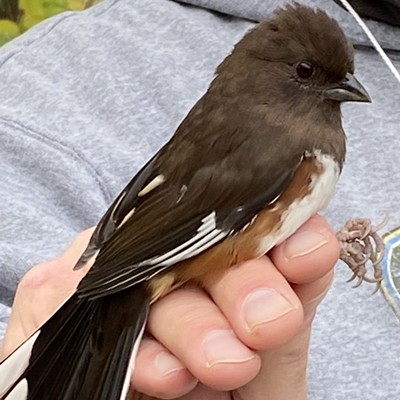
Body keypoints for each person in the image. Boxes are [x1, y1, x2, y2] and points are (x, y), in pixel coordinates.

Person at [0, 1, 399, 399]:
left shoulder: (259, 121)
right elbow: (206, 227)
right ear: (265, 71)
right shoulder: (278, 141)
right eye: (306, 73)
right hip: (158, 261)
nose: (347, 88)